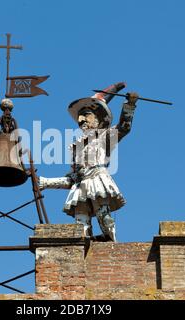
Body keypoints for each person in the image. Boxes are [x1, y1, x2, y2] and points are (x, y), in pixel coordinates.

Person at [38, 82, 139, 241]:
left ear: (99, 119)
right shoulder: (76, 148)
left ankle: (111, 246)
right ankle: (84, 250)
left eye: (86, 114)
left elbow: (124, 128)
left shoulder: (104, 137)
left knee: (104, 218)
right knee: (81, 226)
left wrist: (129, 106)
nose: (80, 119)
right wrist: (45, 182)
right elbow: (74, 179)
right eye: (80, 115)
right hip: (80, 188)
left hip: (98, 182)